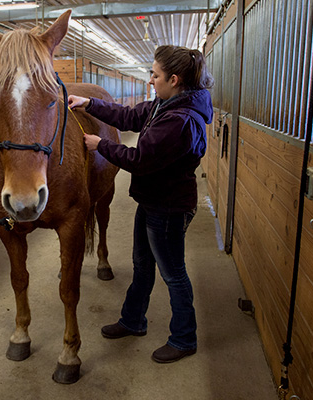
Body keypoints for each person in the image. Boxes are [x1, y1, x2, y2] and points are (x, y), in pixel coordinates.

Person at [68, 45, 213, 364]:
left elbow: (139, 159)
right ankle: (133, 320)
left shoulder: (180, 119)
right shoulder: (167, 104)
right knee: (143, 265)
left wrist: (100, 145)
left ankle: (184, 337)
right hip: (153, 200)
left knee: (173, 273)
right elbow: (129, 116)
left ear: (174, 79)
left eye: (155, 74)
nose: (150, 80)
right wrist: (89, 103)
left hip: (169, 207)